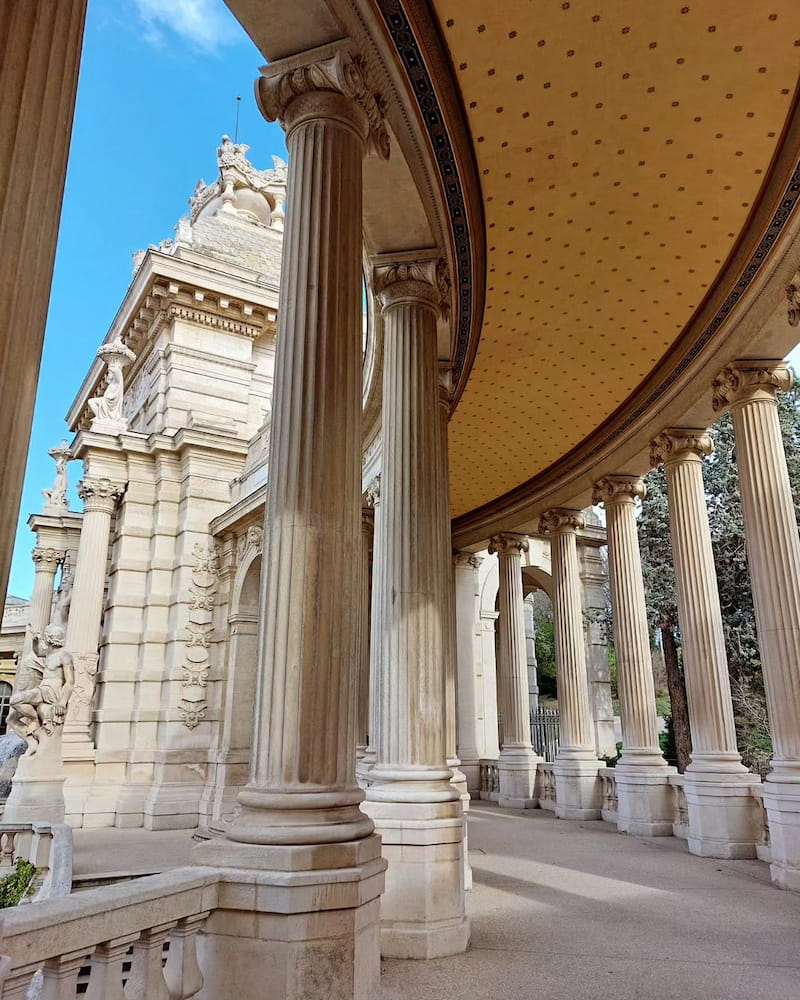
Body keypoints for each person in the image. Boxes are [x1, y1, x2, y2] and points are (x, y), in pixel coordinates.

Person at [7, 625, 75, 756]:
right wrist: (35, 640)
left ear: (50, 638)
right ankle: (32, 742)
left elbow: (70, 682)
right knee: (11, 719)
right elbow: (37, 651)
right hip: (42, 688)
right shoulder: (49, 653)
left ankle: (34, 720)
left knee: (14, 700)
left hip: (51, 690)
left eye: (46, 635)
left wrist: (62, 702)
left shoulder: (65, 655)